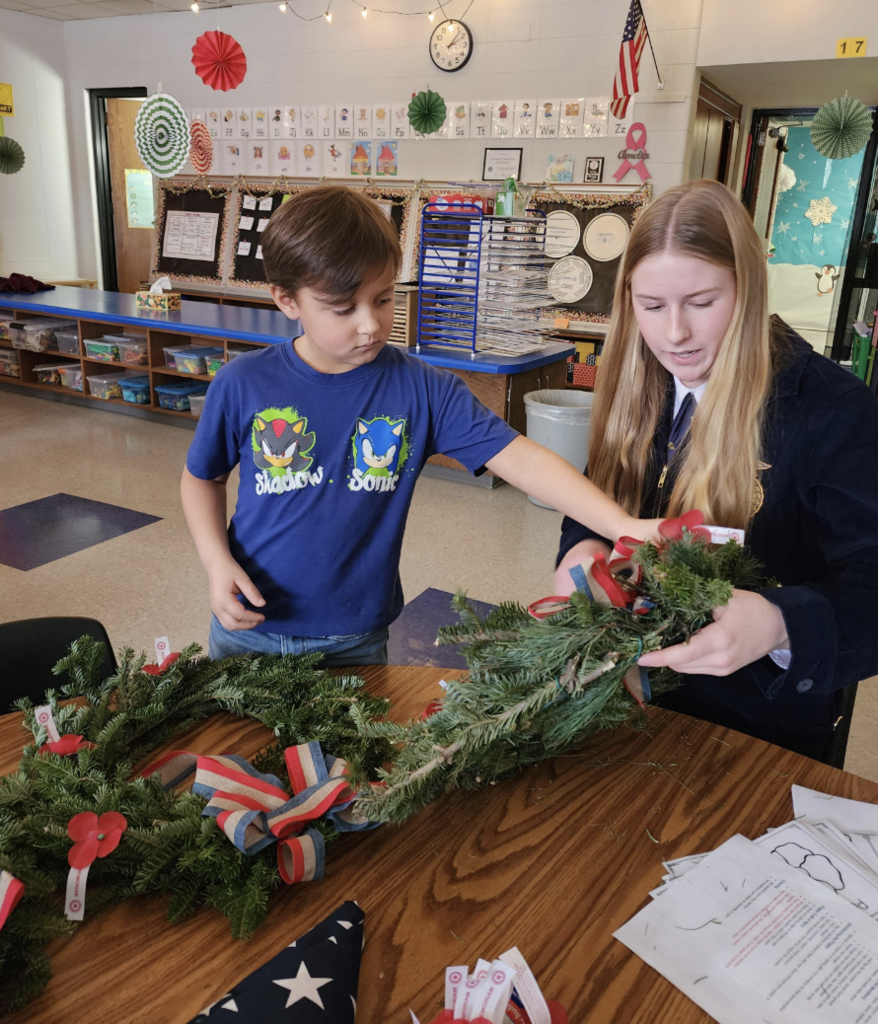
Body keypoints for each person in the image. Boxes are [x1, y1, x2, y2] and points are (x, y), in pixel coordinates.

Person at [182, 186, 660, 666]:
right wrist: (215, 562)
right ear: (287, 299)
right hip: (249, 630)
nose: (371, 325)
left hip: (355, 639)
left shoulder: (425, 389)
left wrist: (620, 525)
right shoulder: (242, 383)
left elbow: (526, 462)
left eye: (383, 298)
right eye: (343, 309)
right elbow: (203, 478)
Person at [554, 178, 878, 762]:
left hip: (756, 727)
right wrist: (581, 549)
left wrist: (778, 623)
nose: (674, 333)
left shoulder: (834, 411)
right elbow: (597, 500)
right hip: (627, 695)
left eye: (702, 303)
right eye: (652, 306)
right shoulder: (640, 384)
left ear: (747, 291)